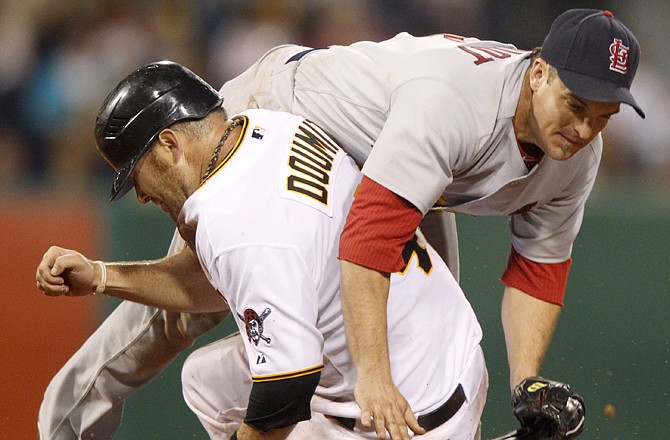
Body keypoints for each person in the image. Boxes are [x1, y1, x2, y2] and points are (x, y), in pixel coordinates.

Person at [37, 8, 641, 440]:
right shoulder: (454, 105)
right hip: (284, 112)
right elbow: (368, 241)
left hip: (388, 164)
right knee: (188, 307)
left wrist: (527, 382)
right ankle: (67, 421)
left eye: (603, 114)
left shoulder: (575, 151)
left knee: (424, 326)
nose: (586, 128)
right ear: (538, 73)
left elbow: (539, 267)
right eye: (576, 104)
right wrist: (374, 380)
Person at [36, 61, 487, 440]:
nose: (141, 194)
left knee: (270, 398)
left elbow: (285, 391)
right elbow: (214, 282)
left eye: (136, 175)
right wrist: (99, 275)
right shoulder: (266, 125)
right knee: (205, 380)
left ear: (169, 145)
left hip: (405, 416)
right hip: (451, 350)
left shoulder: (232, 221)